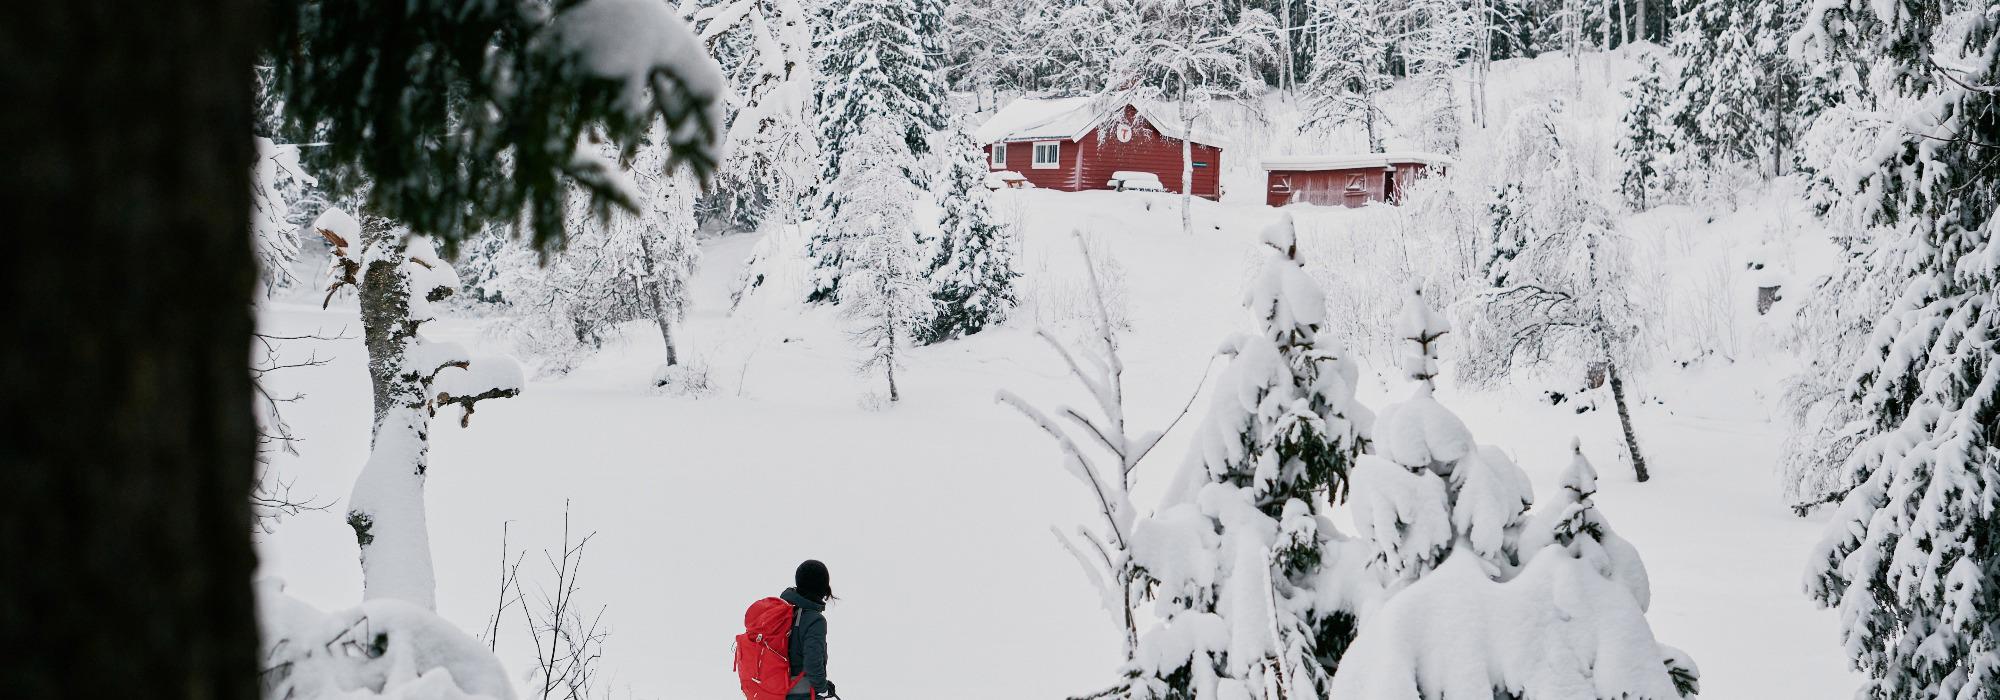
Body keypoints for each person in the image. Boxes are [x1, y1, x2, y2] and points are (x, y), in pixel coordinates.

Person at [783, 560, 836, 700]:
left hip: (775, 691)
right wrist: (822, 688)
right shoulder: (814, 620)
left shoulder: (785, 611)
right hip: (801, 695)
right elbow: (813, 662)